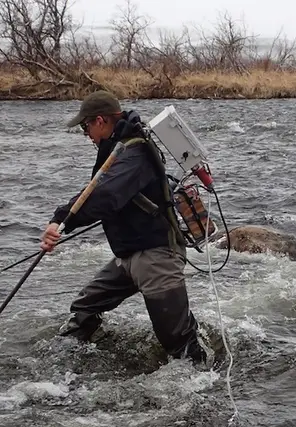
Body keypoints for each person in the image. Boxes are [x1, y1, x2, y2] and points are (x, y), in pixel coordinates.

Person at [39, 90, 209, 364]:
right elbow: (94, 191)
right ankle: (68, 359)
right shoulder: (118, 148)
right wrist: (60, 219)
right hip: (129, 255)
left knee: (177, 340)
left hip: (156, 257)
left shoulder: (135, 152)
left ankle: (204, 381)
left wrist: (63, 222)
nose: (86, 135)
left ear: (100, 120)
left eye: (85, 127)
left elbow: (105, 196)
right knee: (86, 305)